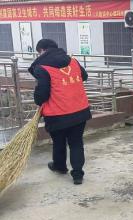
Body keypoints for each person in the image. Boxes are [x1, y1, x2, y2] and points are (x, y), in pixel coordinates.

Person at [28, 39, 91, 185]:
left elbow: (41, 95)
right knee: (76, 143)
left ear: (42, 50)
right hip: (79, 111)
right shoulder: (73, 61)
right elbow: (84, 76)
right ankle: (77, 175)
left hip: (57, 114)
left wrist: (38, 100)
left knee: (58, 142)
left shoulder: (41, 67)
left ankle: (60, 167)